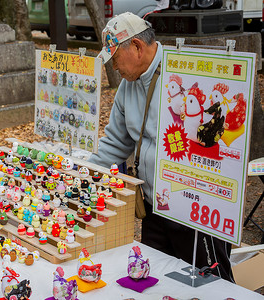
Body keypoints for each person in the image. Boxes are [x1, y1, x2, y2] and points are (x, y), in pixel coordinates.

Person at [89, 12, 234, 282]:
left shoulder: (185, 74)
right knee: (156, 280)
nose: (114, 67)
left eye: (115, 59)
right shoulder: (127, 86)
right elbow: (115, 143)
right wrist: (84, 172)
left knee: (212, 284)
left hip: (193, 209)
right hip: (153, 206)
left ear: (137, 47)